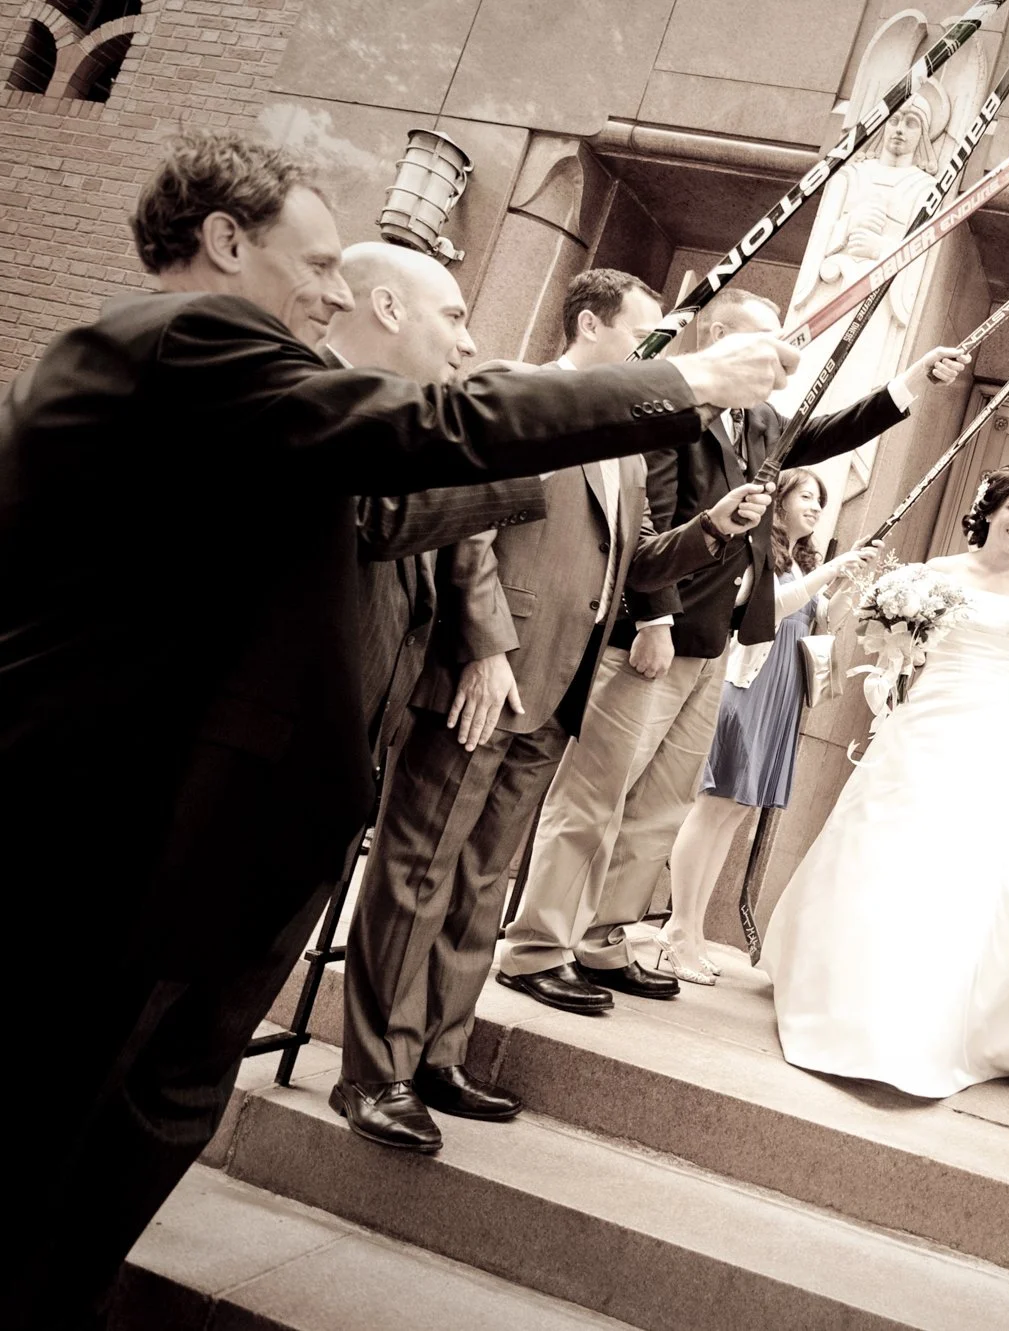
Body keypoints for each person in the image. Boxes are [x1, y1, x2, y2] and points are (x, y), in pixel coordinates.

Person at [0, 129, 793, 1329]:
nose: (329, 288)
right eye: (316, 262)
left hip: (218, 837)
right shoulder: (189, 341)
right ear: (226, 242)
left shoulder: (236, 392)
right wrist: (679, 386)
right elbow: (431, 431)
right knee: (73, 1114)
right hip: (135, 824)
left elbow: (396, 499)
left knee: (152, 1106)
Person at [336, 277, 779, 1151]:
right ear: (591, 323)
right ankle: (374, 1072)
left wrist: (717, 527)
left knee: (481, 882)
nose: (660, 354)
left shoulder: (621, 446)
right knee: (419, 874)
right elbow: (464, 534)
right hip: (485, 681)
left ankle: (439, 1053)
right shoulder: (524, 403)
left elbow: (642, 563)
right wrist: (484, 649)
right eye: (646, 336)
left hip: (558, 693)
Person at [496, 283, 969, 1011]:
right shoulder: (670, 410)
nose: (780, 354)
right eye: (765, 337)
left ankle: (602, 939)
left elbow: (828, 431)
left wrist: (909, 383)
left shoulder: (758, 424)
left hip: (714, 642)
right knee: (596, 797)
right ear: (717, 334)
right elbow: (641, 523)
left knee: (659, 804)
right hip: (651, 635)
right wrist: (651, 620)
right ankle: (535, 947)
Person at [760, 465, 1009, 1097]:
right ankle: (850, 990)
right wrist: (892, 666)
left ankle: (953, 1015)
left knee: (971, 868)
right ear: (988, 510)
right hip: (925, 724)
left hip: (992, 735)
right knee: (892, 846)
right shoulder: (933, 576)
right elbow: (891, 649)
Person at [325, 241, 550, 765]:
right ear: (389, 308)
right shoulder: (313, 405)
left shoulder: (400, 431)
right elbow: (380, 521)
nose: (469, 344)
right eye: (453, 317)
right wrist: (520, 456)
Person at [653, 468, 878, 983]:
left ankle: (692, 929)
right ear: (778, 500)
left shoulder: (801, 563)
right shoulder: (755, 548)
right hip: (746, 686)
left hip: (782, 693)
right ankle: (677, 926)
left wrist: (846, 581)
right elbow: (765, 609)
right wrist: (831, 571)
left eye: (821, 500)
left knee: (734, 812)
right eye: (807, 496)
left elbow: (822, 621)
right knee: (713, 806)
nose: (818, 507)